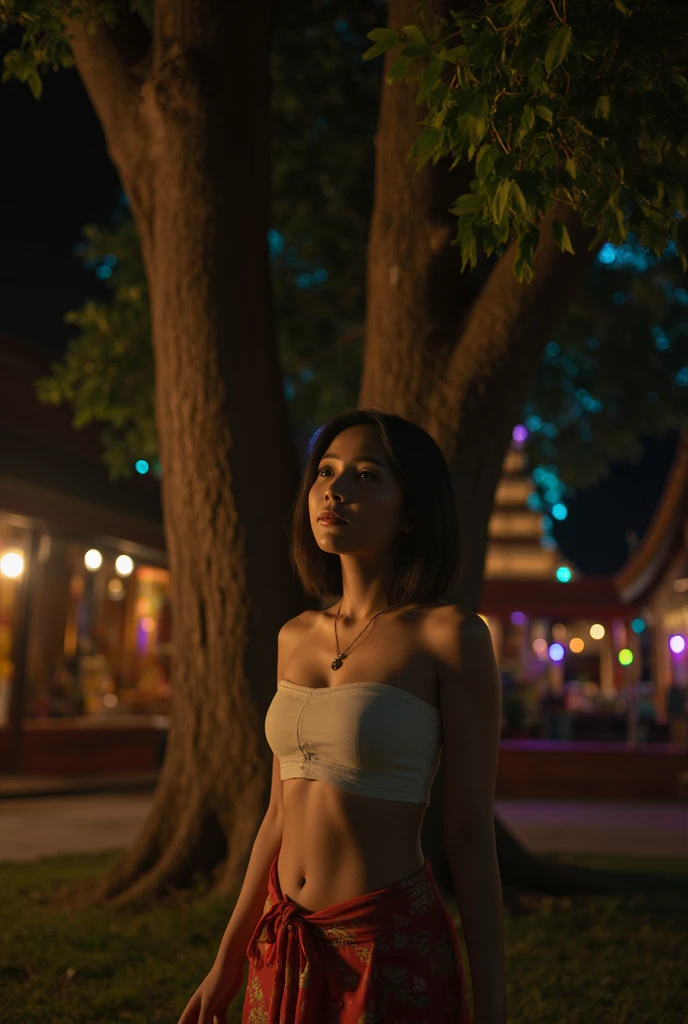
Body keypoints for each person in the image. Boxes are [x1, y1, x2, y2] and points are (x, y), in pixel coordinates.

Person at [177, 408, 507, 1024]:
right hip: (284, 938)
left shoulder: (448, 636)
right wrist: (227, 960)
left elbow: (468, 832)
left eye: (366, 476)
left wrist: (491, 1005)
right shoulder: (295, 637)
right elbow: (277, 812)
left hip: (385, 942)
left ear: (412, 512)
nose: (335, 489)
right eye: (326, 472)